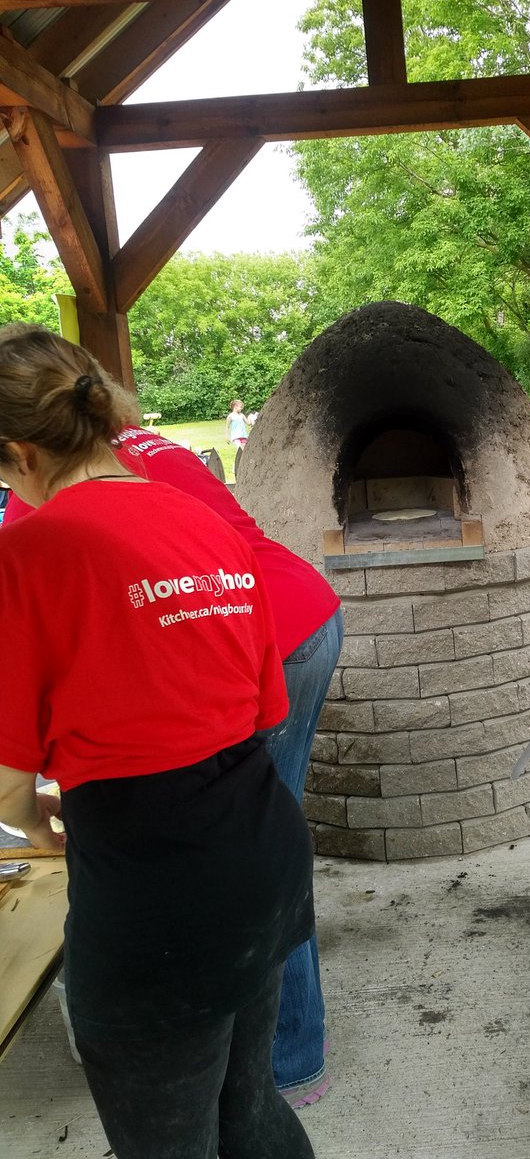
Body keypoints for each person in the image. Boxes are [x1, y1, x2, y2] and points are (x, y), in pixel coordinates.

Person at [0, 326, 318, 1159]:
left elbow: (4, 775)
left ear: (19, 453)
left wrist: (35, 827)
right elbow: (258, 711)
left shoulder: (28, 551)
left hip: (154, 906)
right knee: (248, 1113)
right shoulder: (195, 514)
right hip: (263, 859)